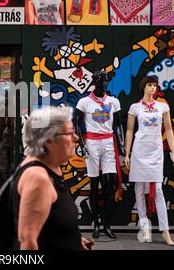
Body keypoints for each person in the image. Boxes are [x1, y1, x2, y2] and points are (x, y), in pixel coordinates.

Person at [13, 106, 92, 250]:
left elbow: (49, 225)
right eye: (69, 133)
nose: (75, 138)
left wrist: (72, 238)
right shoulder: (38, 178)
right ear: (48, 140)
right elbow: (27, 241)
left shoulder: (51, 167)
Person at [124, 76, 174, 246]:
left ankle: (165, 231)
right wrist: (127, 153)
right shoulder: (135, 107)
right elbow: (130, 130)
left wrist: (173, 150)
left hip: (156, 151)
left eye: (155, 85)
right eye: (149, 85)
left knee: (159, 190)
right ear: (143, 87)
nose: (153, 88)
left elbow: (168, 128)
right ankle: (145, 227)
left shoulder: (163, 106)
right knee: (139, 190)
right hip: (139, 151)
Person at [75, 70, 125, 239]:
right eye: (100, 81)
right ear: (94, 82)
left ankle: (106, 223)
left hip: (109, 143)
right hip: (92, 143)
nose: (103, 84)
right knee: (94, 186)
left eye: (105, 81)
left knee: (111, 187)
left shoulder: (113, 101)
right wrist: (82, 144)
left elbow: (118, 126)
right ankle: (96, 223)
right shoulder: (84, 102)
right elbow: (77, 124)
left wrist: (122, 146)